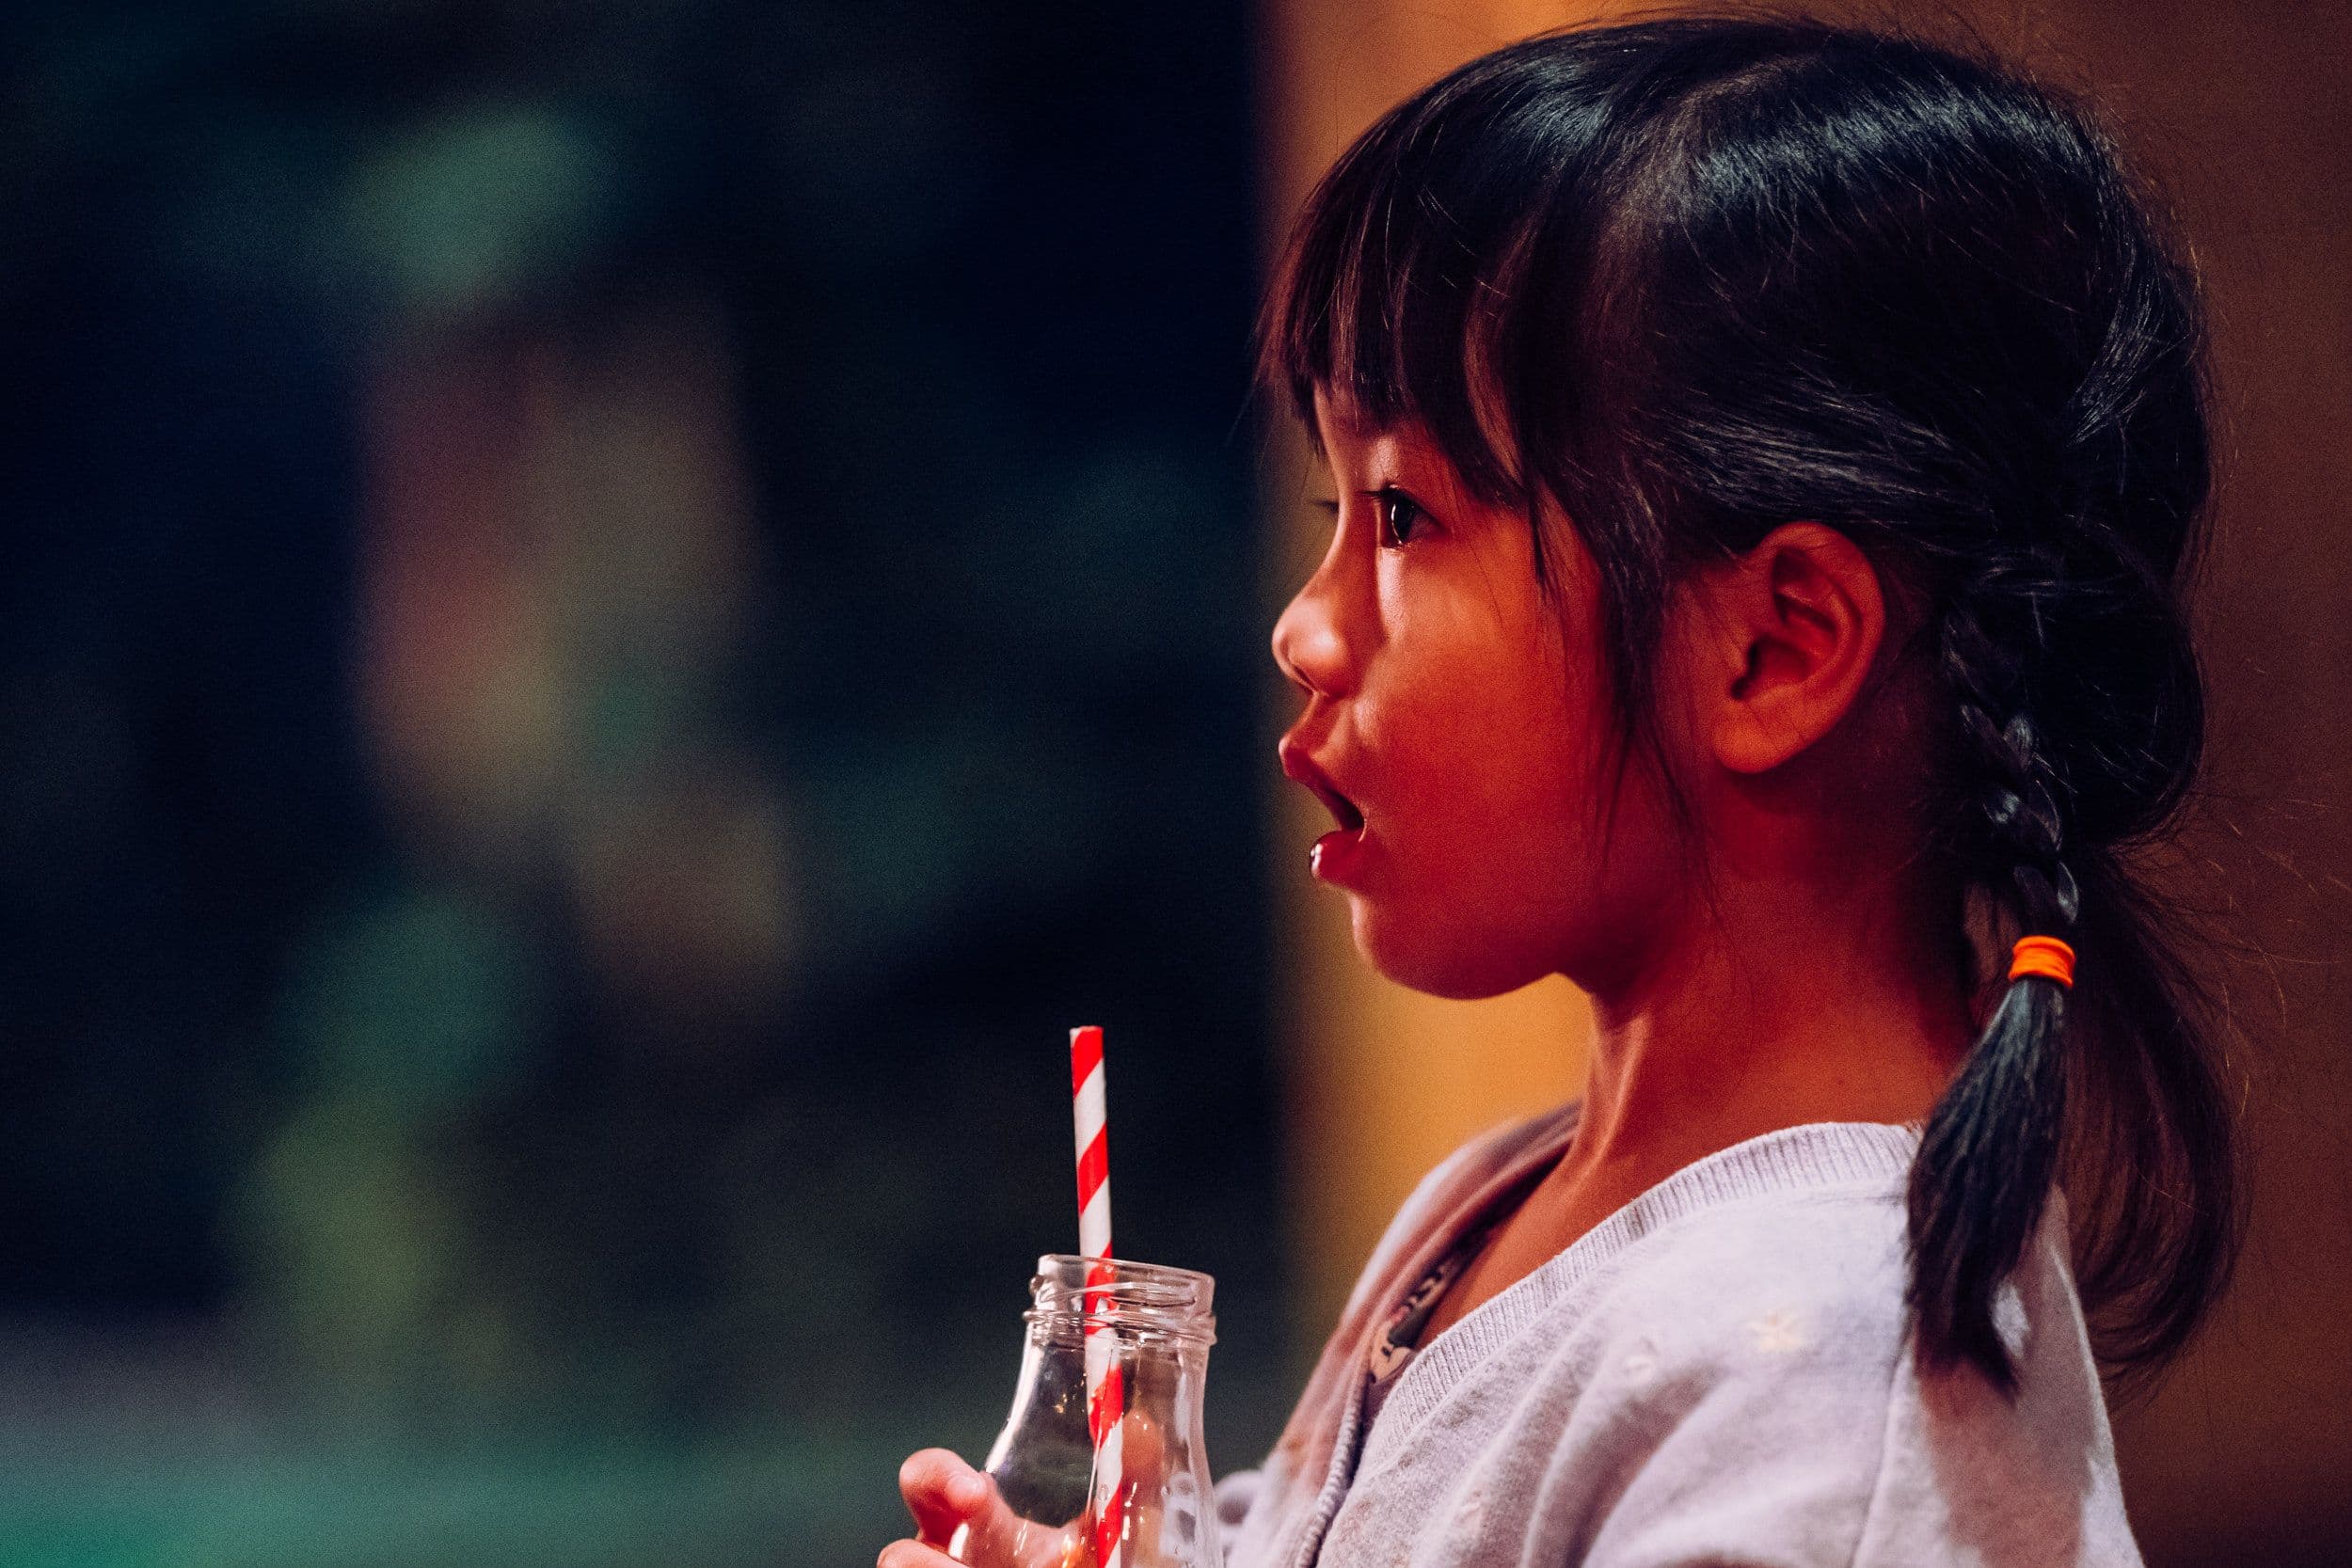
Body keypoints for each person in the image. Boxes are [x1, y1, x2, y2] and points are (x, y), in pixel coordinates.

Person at [884, 15, 2242, 1566]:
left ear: (1772, 648)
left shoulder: (1829, 1398)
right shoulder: (1503, 1198)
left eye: (1404, 512)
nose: (1305, 628)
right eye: (1338, 507)